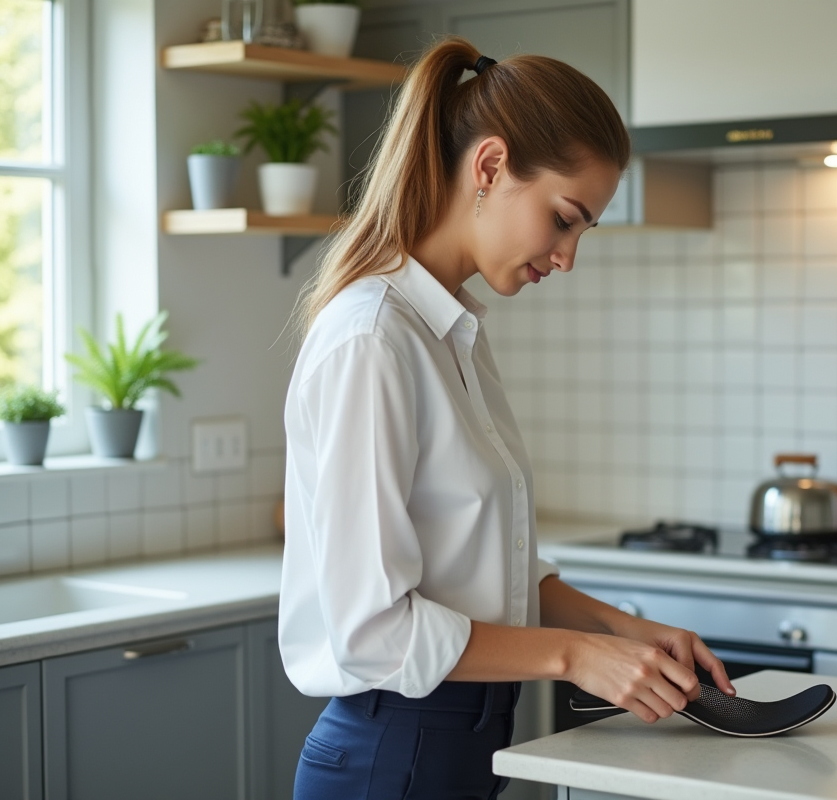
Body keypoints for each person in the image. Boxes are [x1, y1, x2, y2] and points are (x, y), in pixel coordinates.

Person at [279, 36, 735, 800]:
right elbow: (372, 631)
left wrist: (623, 630)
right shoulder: (373, 340)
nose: (567, 257)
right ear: (490, 168)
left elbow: (494, 570)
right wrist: (574, 658)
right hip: (389, 753)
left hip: (459, 746)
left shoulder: (453, 331)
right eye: (565, 219)